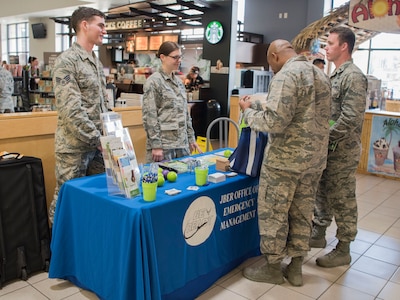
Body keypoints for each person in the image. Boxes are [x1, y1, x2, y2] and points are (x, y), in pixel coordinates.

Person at [239, 39, 331, 286]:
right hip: (313, 162)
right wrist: (257, 105)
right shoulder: (320, 74)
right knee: (303, 213)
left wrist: (247, 112)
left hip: (284, 162)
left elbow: (274, 122)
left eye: (270, 63)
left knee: (274, 213)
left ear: (275, 55)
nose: (271, 68)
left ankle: (272, 267)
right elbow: (303, 112)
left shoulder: (286, 75)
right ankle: (296, 268)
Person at [310, 27, 368, 268]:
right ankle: (319, 233)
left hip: (342, 150)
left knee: (342, 197)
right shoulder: (335, 75)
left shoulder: (352, 76)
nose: (327, 47)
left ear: (344, 46)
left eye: (331, 43)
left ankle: (344, 247)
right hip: (329, 149)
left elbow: (351, 117)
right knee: (323, 191)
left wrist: (326, 137)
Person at [48, 6, 109, 223]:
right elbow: (71, 109)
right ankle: (58, 253)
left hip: (98, 148)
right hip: (74, 148)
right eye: (100, 25)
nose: (104, 30)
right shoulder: (67, 61)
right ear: (84, 25)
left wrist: (111, 134)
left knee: (97, 200)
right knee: (66, 201)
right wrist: (97, 138)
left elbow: (102, 104)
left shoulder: (94, 61)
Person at [142, 41, 201, 163]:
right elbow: (150, 116)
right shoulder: (154, 82)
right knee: (161, 179)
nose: (179, 60)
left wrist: (191, 138)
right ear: (162, 57)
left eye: (180, 57)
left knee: (184, 179)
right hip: (164, 146)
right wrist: (156, 145)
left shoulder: (179, 82)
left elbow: (185, 114)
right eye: (175, 57)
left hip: (182, 145)